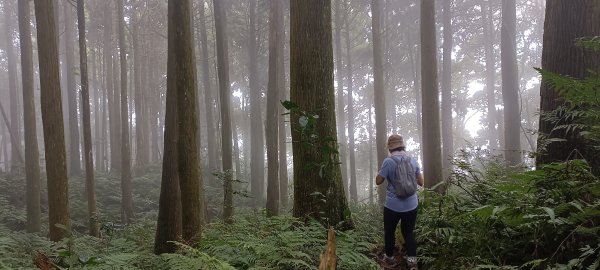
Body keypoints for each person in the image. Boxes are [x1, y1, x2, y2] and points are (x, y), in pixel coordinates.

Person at [375, 134, 424, 269]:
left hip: (392, 206)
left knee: (389, 231)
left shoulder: (388, 161)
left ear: (390, 148)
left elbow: (378, 181)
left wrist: (382, 172)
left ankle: (390, 259)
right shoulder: (412, 160)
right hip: (411, 204)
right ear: (403, 146)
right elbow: (421, 182)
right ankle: (412, 262)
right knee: (408, 232)